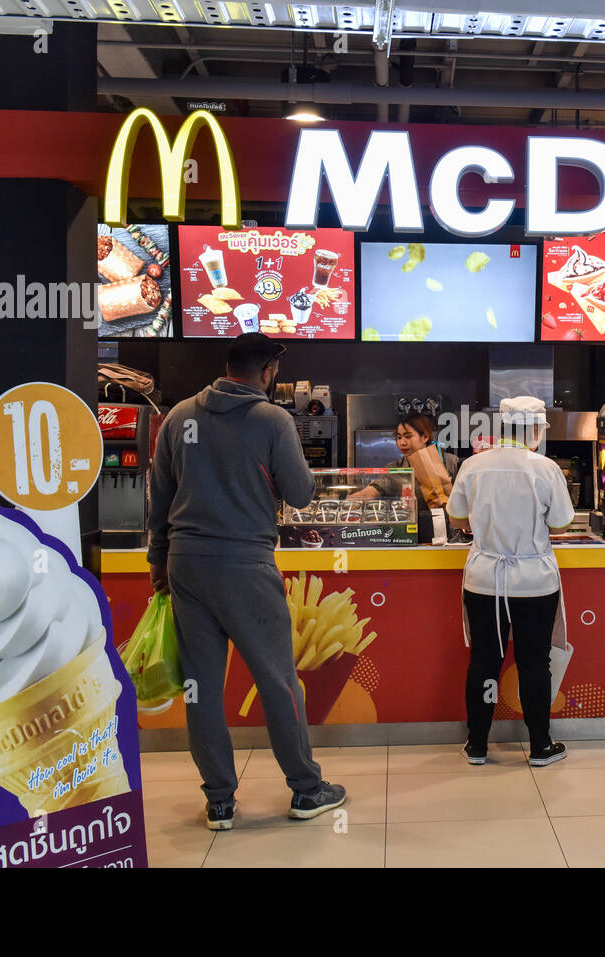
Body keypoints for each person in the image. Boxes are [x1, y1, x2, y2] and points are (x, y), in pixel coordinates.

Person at [147, 333, 347, 830]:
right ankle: (306, 789)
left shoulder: (179, 417)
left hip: (186, 567)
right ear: (269, 371)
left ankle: (219, 801)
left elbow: (160, 498)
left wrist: (158, 566)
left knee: (201, 686)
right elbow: (301, 493)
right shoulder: (273, 419)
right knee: (279, 681)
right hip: (245, 565)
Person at [446, 396, 574, 767]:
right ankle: (539, 747)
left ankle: (478, 745)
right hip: (534, 582)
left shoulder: (473, 465)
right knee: (535, 661)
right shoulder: (545, 468)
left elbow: (456, 519)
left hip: (485, 580)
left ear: (502, 427)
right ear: (535, 431)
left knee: (485, 661)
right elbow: (561, 524)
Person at [348, 413, 460, 510]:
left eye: (408, 436)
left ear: (425, 437)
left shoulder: (449, 462)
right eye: (399, 437)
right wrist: (356, 498)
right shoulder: (396, 468)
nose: (402, 443)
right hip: (412, 528)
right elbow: (376, 487)